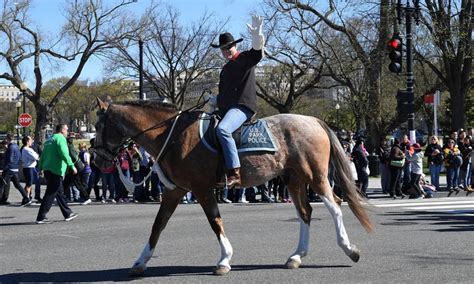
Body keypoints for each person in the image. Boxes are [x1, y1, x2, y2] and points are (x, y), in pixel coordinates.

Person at [211, 15, 264, 188]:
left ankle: (235, 172)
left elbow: (257, 53)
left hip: (243, 107)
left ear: (235, 45)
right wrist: (214, 100)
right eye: (223, 49)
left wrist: (257, 37)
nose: (226, 51)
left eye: (228, 47)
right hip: (226, 109)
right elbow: (225, 94)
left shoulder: (245, 58)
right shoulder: (225, 69)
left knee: (223, 130)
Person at [36, 124, 78, 224]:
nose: (67, 132)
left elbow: (43, 155)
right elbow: (64, 153)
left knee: (59, 193)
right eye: (67, 130)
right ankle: (41, 217)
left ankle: (68, 213)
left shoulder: (49, 139)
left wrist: (40, 167)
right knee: (50, 193)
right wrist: (72, 165)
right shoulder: (60, 138)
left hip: (47, 169)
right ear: (62, 130)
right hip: (56, 170)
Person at [0, 133, 32, 206]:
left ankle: (2, 199)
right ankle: (26, 198)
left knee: (1, 184)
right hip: (15, 169)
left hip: (9, 169)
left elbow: (10, 159)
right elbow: (19, 158)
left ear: (7, 139)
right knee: (17, 185)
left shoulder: (10, 148)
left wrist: (4, 169)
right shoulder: (16, 147)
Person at [20, 135, 40, 201]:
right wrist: (36, 156)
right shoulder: (27, 149)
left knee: (29, 183)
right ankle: (26, 198)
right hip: (29, 168)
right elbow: (36, 157)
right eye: (30, 140)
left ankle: (27, 196)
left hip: (28, 168)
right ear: (27, 141)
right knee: (29, 184)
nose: (32, 141)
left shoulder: (24, 149)